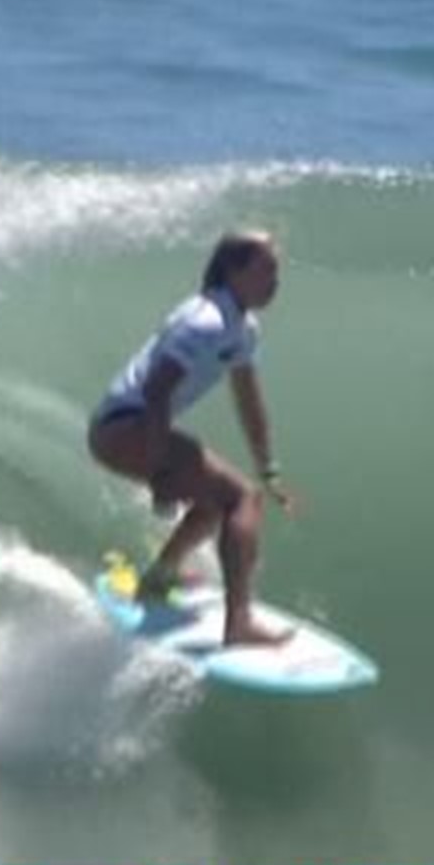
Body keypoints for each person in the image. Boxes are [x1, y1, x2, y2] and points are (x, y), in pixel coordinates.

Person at [87, 230, 298, 647]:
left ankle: (160, 577)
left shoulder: (242, 327)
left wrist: (268, 468)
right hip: (126, 426)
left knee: (218, 501)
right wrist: (156, 468)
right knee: (243, 499)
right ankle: (238, 624)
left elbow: (249, 401)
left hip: (134, 427)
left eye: (278, 272)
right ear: (233, 271)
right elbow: (156, 390)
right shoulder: (205, 321)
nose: (276, 281)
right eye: (266, 270)